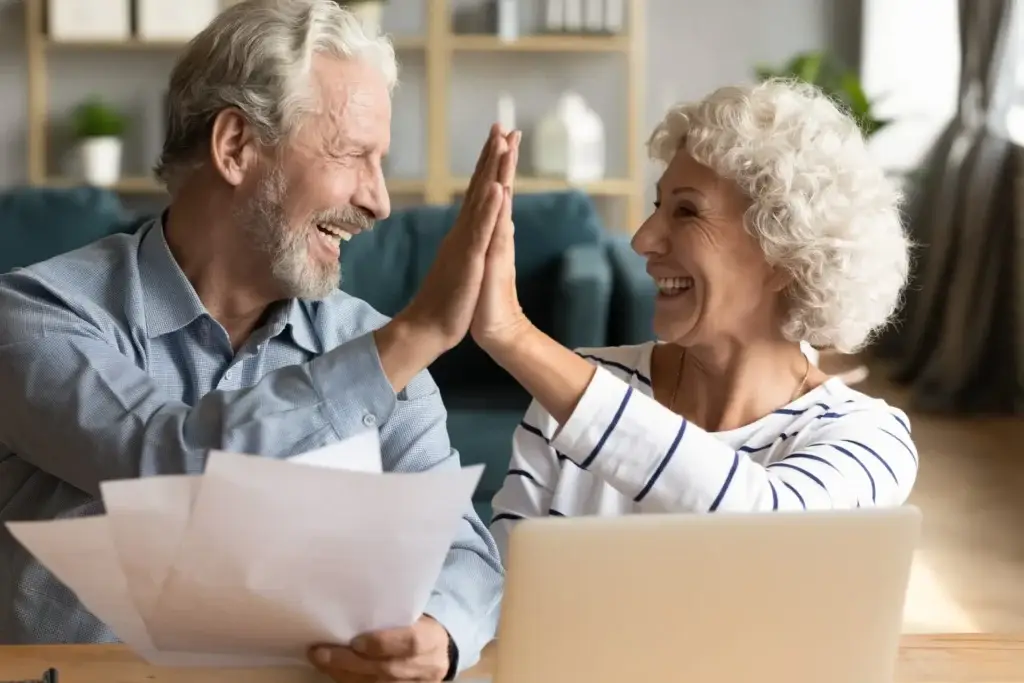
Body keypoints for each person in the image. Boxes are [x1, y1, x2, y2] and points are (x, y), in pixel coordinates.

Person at [0, 1, 509, 680]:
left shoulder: (369, 346)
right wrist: (412, 337)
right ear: (236, 146)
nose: (379, 201)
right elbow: (165, 462)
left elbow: (468, 553)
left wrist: (439, 631)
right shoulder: (36, 316)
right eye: (353, 154)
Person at [480, 80, 920, 560]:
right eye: (657, 207)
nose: (643, 239)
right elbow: (504, 588)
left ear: (784, 254)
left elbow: (772, 528)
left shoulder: (867, 438)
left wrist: (515, 336)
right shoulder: (576, 391)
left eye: (686, 211)